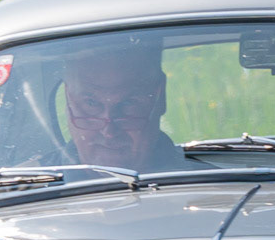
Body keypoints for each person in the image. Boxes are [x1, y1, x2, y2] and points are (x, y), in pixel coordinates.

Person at [61, 39, 188, 172]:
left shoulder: (205, 184)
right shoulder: (41, 186)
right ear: (67, 98)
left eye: (128, 102)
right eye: (91, 103)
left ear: (160, 97)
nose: (109, 132)